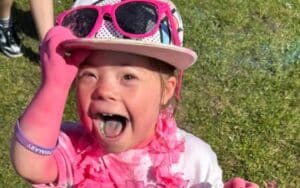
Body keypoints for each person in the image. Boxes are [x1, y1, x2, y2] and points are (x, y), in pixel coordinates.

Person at [10, 0, 258, 187]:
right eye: (89, 75)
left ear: (167, 91)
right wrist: (52, 87)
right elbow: (30, 164)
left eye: (128, 76)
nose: (104, 90)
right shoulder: (73, 149)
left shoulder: (194, 160)